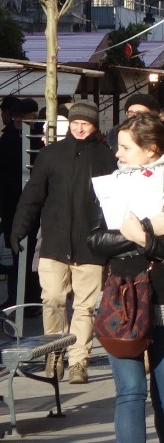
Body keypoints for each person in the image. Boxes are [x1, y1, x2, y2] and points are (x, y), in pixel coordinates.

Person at [88, 112, 164, 443]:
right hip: (121, 298)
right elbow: (95, 241)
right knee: (131, 391)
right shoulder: (113, 186)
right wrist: (148, 230)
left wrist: (148, 240)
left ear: (151, 148)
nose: (117, 154)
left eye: (125, 147)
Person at [9, 101, 115, 384]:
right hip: (54, 243)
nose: (80, 128)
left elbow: (114, 204)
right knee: (53, 300)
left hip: (90, 245)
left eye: (86, 124)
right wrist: (18, 229)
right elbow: (32, 196)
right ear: (70, 124)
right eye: (76, 123)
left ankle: (79, 361)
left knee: (85, 306)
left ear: (94, 126)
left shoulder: (106, 158)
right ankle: (55, 355)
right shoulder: (50, 155)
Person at [0, 97, 42, 309]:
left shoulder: (40, 139)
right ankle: (17, 298)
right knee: (17, 255)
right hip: (12, 206)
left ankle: (31, 299)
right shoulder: (7, 140)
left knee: (33, 253)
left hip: (35, 208)